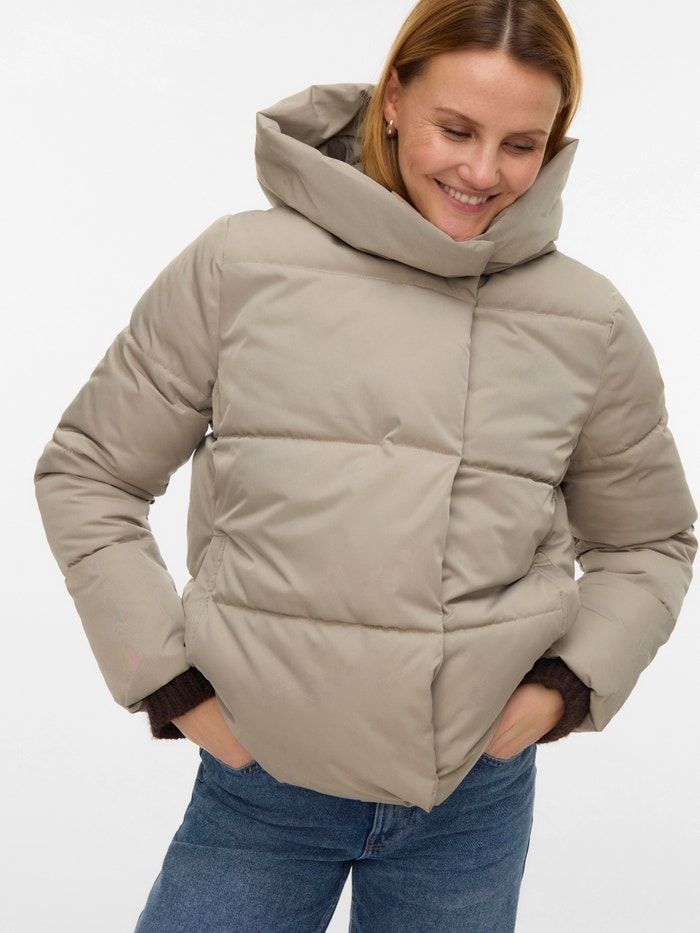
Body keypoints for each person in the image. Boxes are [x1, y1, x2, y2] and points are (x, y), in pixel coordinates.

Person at [35, 0, 696, 930]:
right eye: (455, 130)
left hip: (471, 804)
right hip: (261, 788)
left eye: (521, 144)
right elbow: (89, 471)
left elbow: (650, 540)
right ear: (392, 98)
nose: (482, 172)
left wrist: (568, 686)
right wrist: (166, 677)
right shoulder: (241, 265)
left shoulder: (589, 321)